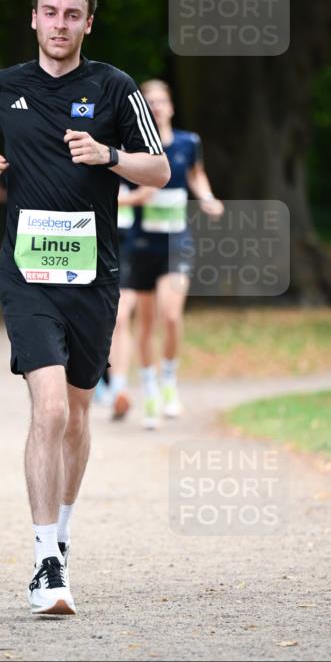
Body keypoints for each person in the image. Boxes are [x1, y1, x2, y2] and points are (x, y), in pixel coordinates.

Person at [0, 0, 169, 615]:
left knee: (77, 414)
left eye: (71, 15)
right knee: (46, 409)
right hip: (25, 272)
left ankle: (64, 534)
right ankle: (45, 560)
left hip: (92, 276)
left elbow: (156, 169)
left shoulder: (114, 88)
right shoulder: (3, 86)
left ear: (86, 24)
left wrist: (108, 155)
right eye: (49, 11)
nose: (58, 24)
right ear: (33, 17)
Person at [107, 80, 223, 428]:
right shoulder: (132, 147)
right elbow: (116, 192)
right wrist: (134, 198)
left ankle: (170, 380)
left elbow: (196, 177)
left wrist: (206, 197)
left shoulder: (189, 142)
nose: (157, 106)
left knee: (171, 315)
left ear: (171, 106)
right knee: (144, 323)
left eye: (162, 100)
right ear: (143, 108)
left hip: (177, 242)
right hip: (141, 244)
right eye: (150, 101)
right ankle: (150, 388)